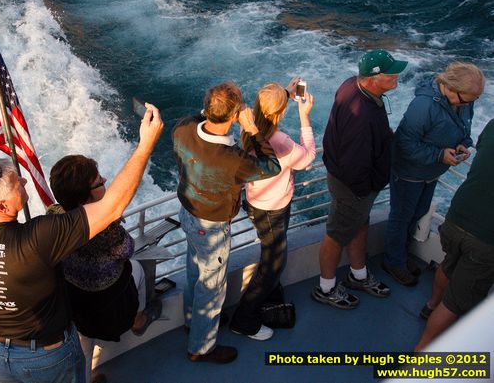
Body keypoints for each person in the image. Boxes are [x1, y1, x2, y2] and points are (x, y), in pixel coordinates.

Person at [0, 104, 163, 383]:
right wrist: (145, 145)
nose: (24, 179)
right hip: (45, 357)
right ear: (2, 206)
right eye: (16, 183)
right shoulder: (37, 240)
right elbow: (111, 207)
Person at [172, 81, 281, 362]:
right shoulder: (232, 159)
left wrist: (223, 110)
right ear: (234, 116)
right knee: (212, 287)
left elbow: (202, 121)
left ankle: (191, 322)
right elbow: (271, 167)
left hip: (188, 213)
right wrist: (252, 128)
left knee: (194, 272)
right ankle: (201, 348)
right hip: (212, 226)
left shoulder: (183, 128)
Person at [48, 155, 162, 383]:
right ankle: (137, 319)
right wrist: (113, 219)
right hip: (109, 310)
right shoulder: (109, 232)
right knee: (137, 268)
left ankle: (85, 378)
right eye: (100, 183)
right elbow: (127, 249)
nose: (105, 182)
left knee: (83, 341)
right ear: (85, 197)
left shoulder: (53, 215)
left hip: (75, 305)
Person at [312, 49, 407, 310]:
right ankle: (326, 288)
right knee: (336, 234)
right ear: (374, 78)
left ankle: (359, 274)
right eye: (392, 73)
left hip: (353, 185)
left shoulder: (351, 84)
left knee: (358, 225)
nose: (397, 75)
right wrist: (366, 190)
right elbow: (355, 164)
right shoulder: (361, 116)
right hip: (353, 188)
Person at [384, 63, 484, 286]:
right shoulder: (424, 105)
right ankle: (393, 261)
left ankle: (401, 255)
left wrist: (463, 144)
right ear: (450, 87)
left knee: (417, 212)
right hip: (410, 172)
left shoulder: (464, 101)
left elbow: (463, 128)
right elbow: (404, 144)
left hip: (431, 172)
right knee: (401, 217)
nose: (470, 104)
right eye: (467, 99)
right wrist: (439, 155)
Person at [229, 81, 316, 339]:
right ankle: (244, 320)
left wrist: (285, 95)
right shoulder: (282, 143)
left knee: (270, 254)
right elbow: (308, 157)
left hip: (256, 202)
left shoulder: (249, 127)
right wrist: (304, 116)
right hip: (273, 209)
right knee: (273, 265)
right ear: (281, 112)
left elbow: (267, 112)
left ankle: (269, 295)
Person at [415, 118, 494, 351]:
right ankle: (421, 354)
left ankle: (430, 305)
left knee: (448, 264)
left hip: (457, 216)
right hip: (485, 237)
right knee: (456, 304)